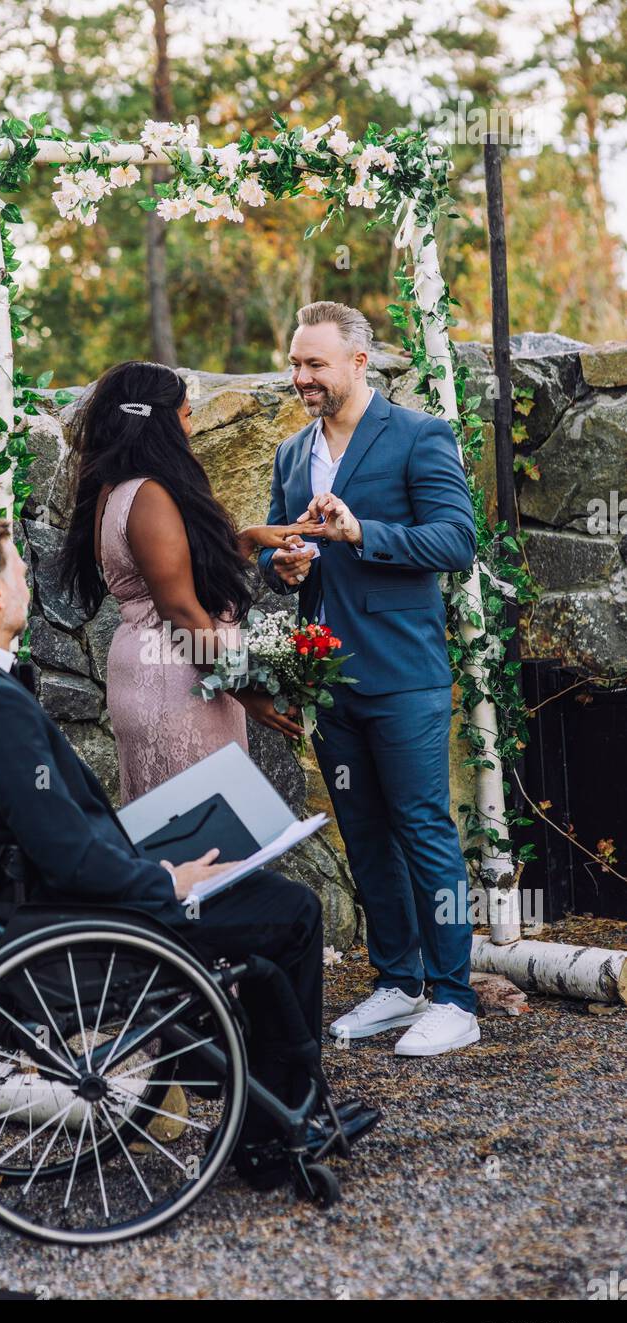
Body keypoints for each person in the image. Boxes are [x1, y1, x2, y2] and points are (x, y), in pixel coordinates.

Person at [0, 517, 375, 1188]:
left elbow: (52, 837)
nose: (25, 587)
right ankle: (275, 1130)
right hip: (81, 925)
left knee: (252, 887)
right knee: (292, 912)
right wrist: (166, 879)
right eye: (16, 573)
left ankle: (258, 1097)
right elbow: (67, 854)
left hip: (43, 906)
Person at [258, 300, 481, 1059]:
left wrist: (364, 532)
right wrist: (280, 565)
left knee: (426, 833)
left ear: (359, 362)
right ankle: (398, 982)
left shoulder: (420, 436)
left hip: (405, 675)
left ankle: (456, 996)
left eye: (314, 363)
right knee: (365, 833)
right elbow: (275, 544)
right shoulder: (292, 454)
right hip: (329, 681)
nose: (301, 377)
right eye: (295, 363)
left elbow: (458, 540)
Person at [58, 360, 325, 801]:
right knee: (204, 839)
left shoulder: (116, 487)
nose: (190, 423)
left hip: (162, 673)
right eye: (185, 412)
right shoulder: (150, 496)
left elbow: (169, 573)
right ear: (161, 420)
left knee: (178, 838)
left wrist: (248, 540)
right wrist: (247, 689)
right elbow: (180, 612)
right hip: (177, 681)